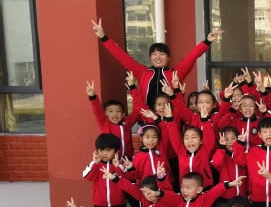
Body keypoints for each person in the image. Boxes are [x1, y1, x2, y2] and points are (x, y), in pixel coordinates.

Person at [91, 18, 223, 108]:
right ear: (150, 57)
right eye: (154, 54)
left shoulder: (176, 73)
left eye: (162, 54)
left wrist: (207, 41)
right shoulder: (142, 72)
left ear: (168, 57)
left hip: (172, 120)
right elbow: (122, 57)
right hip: (148, 120)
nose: (158, 57)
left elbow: (192, 56)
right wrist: (103, 37)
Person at [85, 80, 137, 160]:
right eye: (111, 111)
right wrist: (92, 96)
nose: (115, 114)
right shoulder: (104, 123)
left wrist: (133, 88)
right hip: (111, 160)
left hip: (127, 160)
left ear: (123, 114)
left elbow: (137, 110)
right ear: (105, 113)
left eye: (118, 111)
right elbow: (97, 110)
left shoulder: (127, 123)